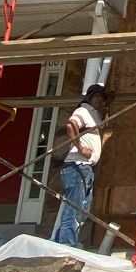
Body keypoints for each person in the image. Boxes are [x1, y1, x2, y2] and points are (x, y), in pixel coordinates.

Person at [51, 83, 108, 248]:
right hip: (77, 166)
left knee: (81, 210)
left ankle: (57, 244)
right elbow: (71, 125)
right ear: (89, 98)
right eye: (97, 96)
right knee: (74, 208)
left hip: (85, 168)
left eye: (102, 97)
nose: (100, 100)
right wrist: (80, 147)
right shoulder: (83, 111)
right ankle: (66, 245)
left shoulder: (95, 116)